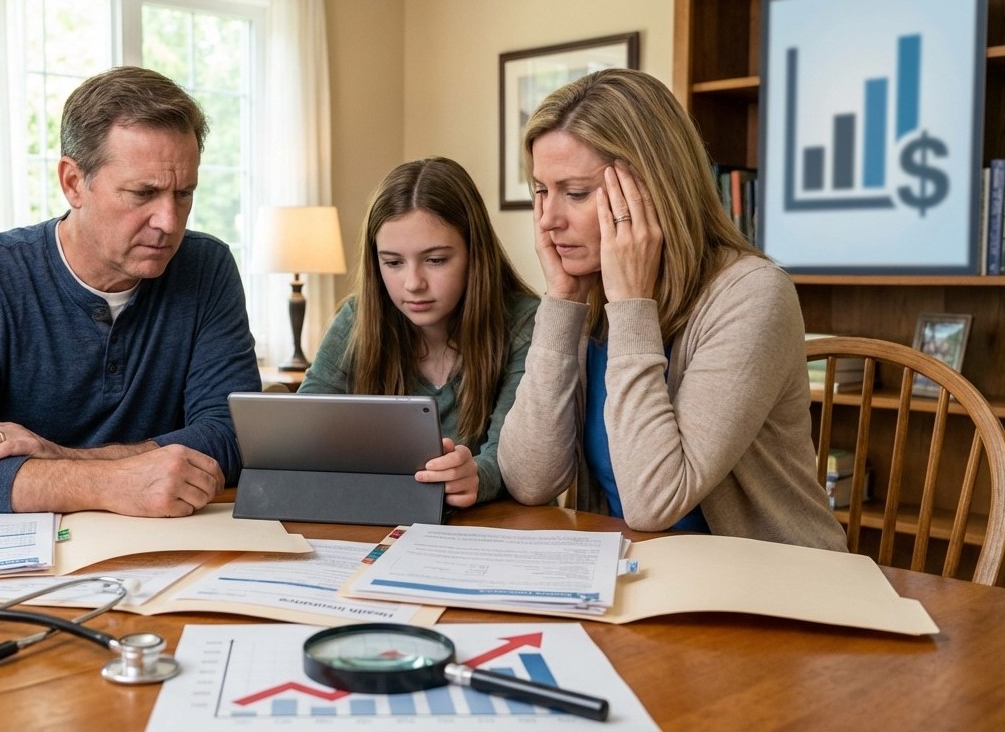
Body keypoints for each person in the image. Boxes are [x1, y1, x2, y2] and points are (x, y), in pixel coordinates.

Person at [498, 68, 846, 550]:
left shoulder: (752, 294)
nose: (549, 219)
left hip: (769, 588)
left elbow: (654, 502)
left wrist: (632, 306)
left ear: (651, 189)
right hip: (644, 579)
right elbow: (530, 480)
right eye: (541, 190)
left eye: (575, 193)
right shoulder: (588, 291)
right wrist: (560, 303)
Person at [0, 66, 261, 518]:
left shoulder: (207, 267)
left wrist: (56, 456)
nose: (169, 222)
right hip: (23, 559)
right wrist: (110, 484)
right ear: (73, 183)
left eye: (183, 193)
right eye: (142, 193)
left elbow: (232, 436)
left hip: (162, 544)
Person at [298, 157, 539, 508]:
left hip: (488, 533)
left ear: (475, 252)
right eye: (393, 263)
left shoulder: (524, 324)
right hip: (378, 524)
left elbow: (512, 459)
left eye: (436, 260)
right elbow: (303, 428)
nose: (413, 284)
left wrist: (476, 476)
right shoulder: (356, 318)